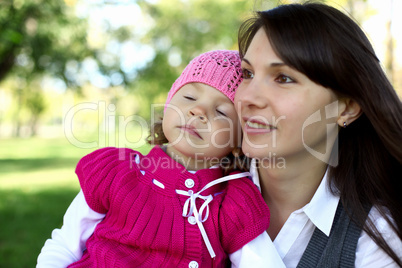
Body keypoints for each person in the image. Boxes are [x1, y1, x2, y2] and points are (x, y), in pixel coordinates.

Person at [36, 50, 270, 267]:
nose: (198, 111)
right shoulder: (118, 173)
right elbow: (65, 246)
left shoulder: (233, 202)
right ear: (168, 104)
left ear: (239, 140)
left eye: (221, 111)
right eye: (189, 96)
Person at [230, 2, 402, 267]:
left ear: (346, 107)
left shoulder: (377, 237)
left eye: (283, 78)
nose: (248, 97)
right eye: (247, 73)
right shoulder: (190, 193)